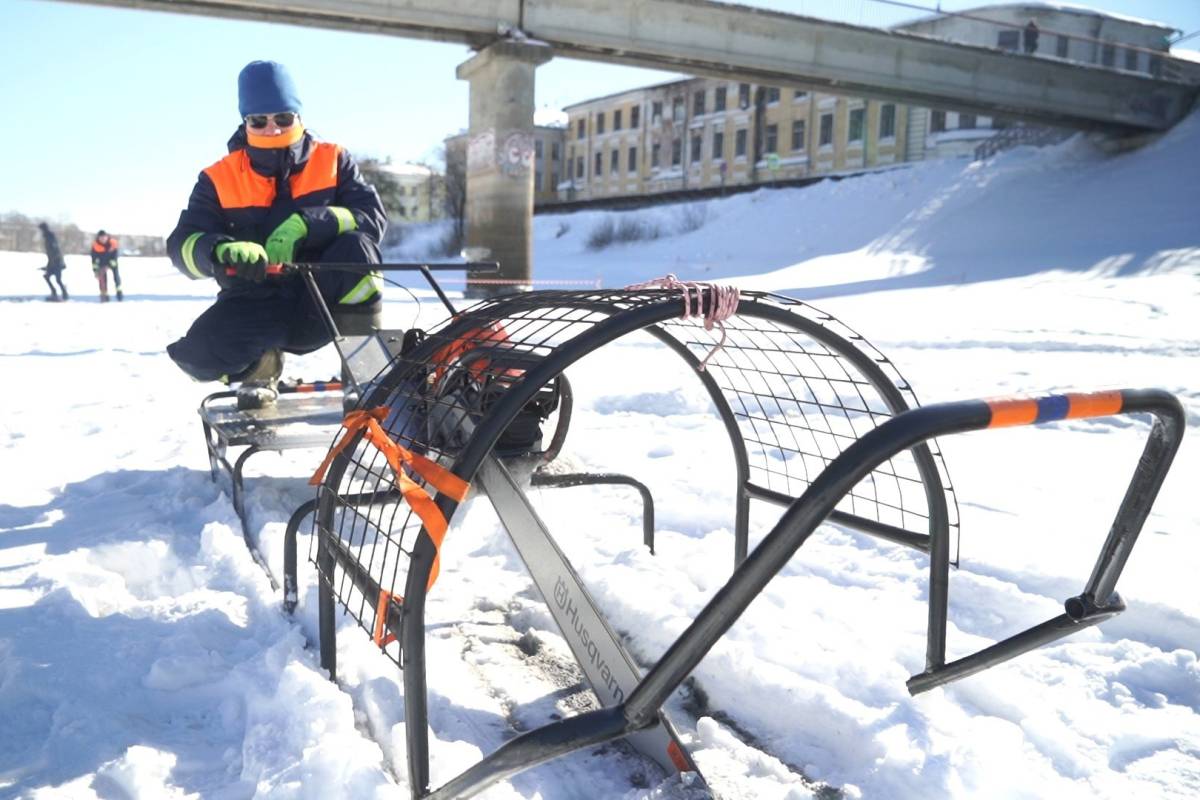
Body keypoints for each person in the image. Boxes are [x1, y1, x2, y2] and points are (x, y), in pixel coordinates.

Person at [165, 60, 387, 409]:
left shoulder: (334, 160)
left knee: (358, 248)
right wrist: (219, 250)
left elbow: (370, 219)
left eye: (282, 118)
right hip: (255, 303)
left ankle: (364, 372)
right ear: (245, 122)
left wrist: (309, 223)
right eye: (259, 120)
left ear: (298, 116)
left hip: (321, 301)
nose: (272, 128)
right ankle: (260, 367)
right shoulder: (217, 177)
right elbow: (182, 245)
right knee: (197, 355)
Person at [38, 222, 68, 302]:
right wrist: (48, 265)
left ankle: (65, 294)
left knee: (58, 280)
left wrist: (58, 262)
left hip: (57, 262)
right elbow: (50, 253)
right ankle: (54, 292)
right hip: (52, 262)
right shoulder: (47, 237)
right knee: (47, 277)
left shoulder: (50, 237)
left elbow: (56, 250)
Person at [90, 230, 123, 302]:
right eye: (101, 237)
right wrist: (95, 270)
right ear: (98, 238)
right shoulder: (95, 246)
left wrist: (110, 265)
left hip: (112, 261)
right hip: (102, 262)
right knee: (102, 278)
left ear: (107, 237)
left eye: (104, 237)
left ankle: (119, 292)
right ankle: (104, 294)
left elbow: (115, 256)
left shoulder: (113, 243)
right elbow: (94, 260)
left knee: (116, 276)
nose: (103, 239)